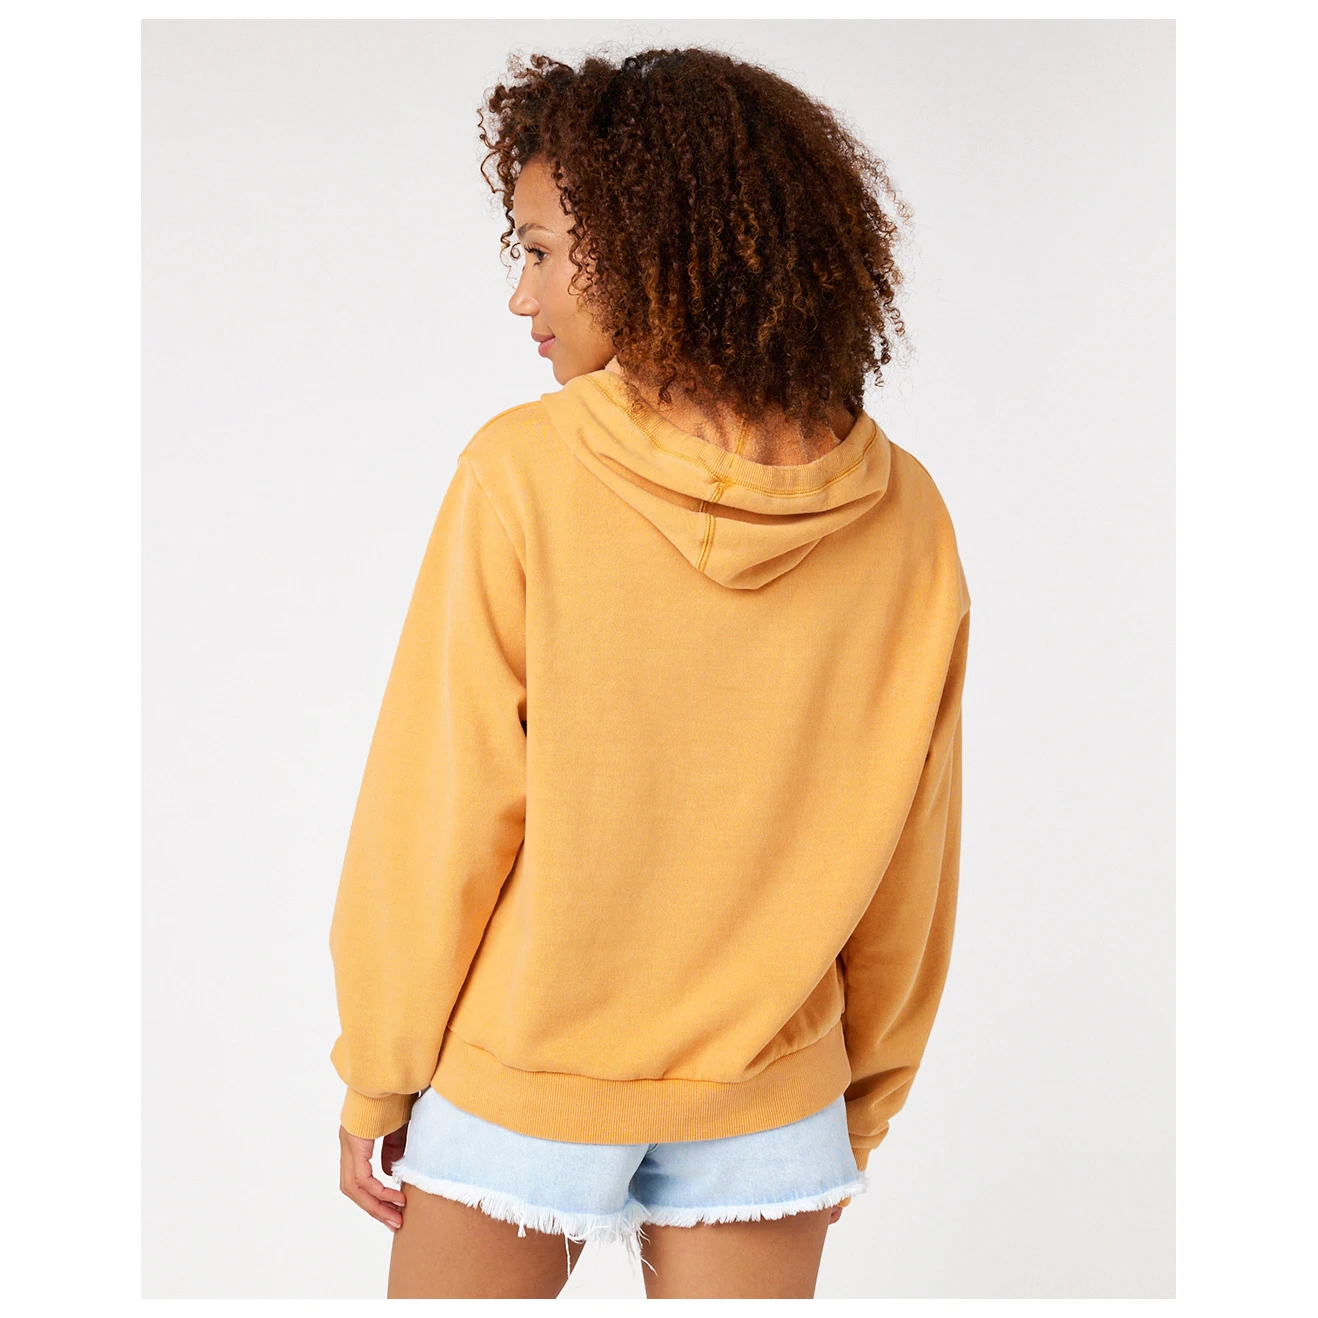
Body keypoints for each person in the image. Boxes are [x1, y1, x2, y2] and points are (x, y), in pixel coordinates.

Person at [329, 46, 971, 1300]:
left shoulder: (524, 471)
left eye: (541, 251)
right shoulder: (906, 516)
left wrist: (378, 1068)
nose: (521, 296)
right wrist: (862, 1097)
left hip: (529, 1070)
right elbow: (914, 856)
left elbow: (444, 806)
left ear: (647, 245)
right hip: (772, 1088)